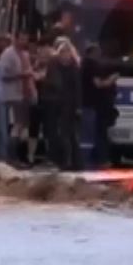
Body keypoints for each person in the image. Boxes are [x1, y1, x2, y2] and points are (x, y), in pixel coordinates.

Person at [46, 38, 83, 170]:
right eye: (62, 52)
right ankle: (60, 160)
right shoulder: (54, 65)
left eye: (67, 52)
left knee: (68, 134)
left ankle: (70, 161)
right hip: (55, 103)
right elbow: (49, 82)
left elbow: (78, 88)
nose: (64, 55)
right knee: (57, 133)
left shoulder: (74, 67)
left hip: (69, 105)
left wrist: (78, 106)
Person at [0, 30, 34, 166]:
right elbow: (3, 75)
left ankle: (21, 157)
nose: (24, 42)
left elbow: (29, 73)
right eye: (22, 39)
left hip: (25, 94)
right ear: (15, 39)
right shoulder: (8, 54)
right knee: (17, 126)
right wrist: (21, 75)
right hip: (13, 95)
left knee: (24, 126)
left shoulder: (25, 54)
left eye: (26, 39)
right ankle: (12, 157)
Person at [81, 43, 119, 169]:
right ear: (94, 53)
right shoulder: (92, 65)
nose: (100, 55)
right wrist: (111, 79)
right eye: (98, 52)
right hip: (93, 105)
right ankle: (98, 160)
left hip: (85, 103)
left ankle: (92, 159)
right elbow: (98, 84)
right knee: (96, 133)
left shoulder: (81, 65)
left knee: (91, 133)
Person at [32, 41, 58, 165]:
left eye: (46, 53)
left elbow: (55, 83)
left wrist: (42, 77)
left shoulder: (54, 68)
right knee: (34, 128)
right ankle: (30, 155)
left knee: (50, 129)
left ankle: (51, 156)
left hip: (51, 101)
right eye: (41, 53)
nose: (42, 55)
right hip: (37, 101)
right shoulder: (35, 65)